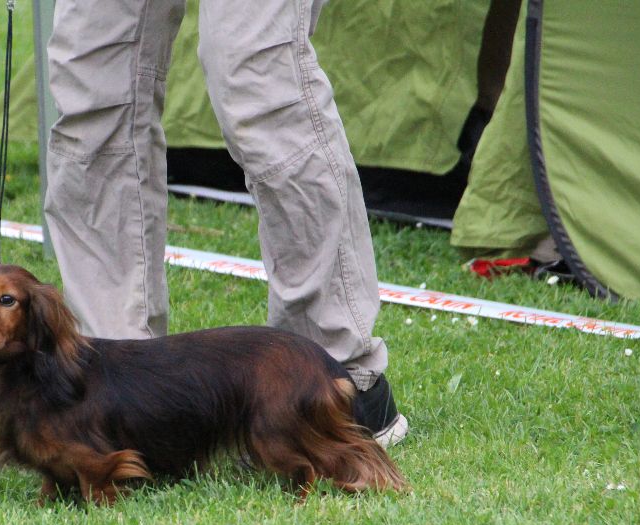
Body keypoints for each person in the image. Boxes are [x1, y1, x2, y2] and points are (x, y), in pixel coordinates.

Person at [43, 0, 407, 446]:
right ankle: (117, 382)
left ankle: (332, 372)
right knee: (92, 82)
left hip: (327, 378)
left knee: (255, 77)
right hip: (114, 381)